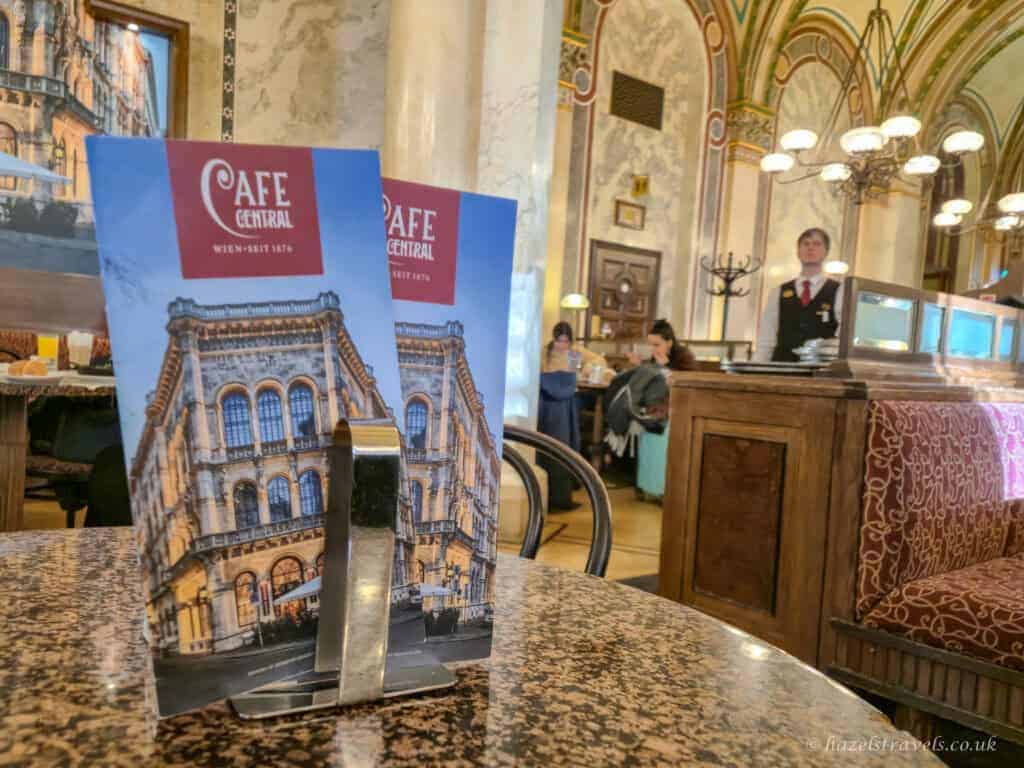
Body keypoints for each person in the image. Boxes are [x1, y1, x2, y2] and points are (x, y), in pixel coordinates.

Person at [755, 227, 844, 362]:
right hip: (782, 367)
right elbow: (766, 337)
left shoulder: (839, 290)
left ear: (826, 252)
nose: (810, 248)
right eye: (806, 244)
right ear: (798, 251)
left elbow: (842, 335)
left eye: (817, 244)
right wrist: (756, 367)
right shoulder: (779, 291)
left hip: (819, 369)